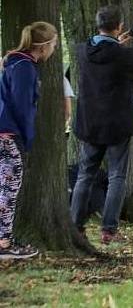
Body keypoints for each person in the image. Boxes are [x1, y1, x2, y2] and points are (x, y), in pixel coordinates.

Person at [71, 6, 133, 245]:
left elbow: (104, 55)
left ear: (98, 25)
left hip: (90, 123)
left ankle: (76, 225)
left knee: (85, 175)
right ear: (118, 26)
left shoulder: (82, 51)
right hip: (118, 124)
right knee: (117, 176)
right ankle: (109, 229)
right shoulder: (122, 54)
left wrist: (116, 43)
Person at [0, 21, 58, 259]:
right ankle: (3, 241)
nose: (54, 48)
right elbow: (22, 106)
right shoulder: (24, 68)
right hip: (8, 133)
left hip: (5, 130)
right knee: (8, 187)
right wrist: (25, 138)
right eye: (54, 44)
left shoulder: (15, 63)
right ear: (43, 46)